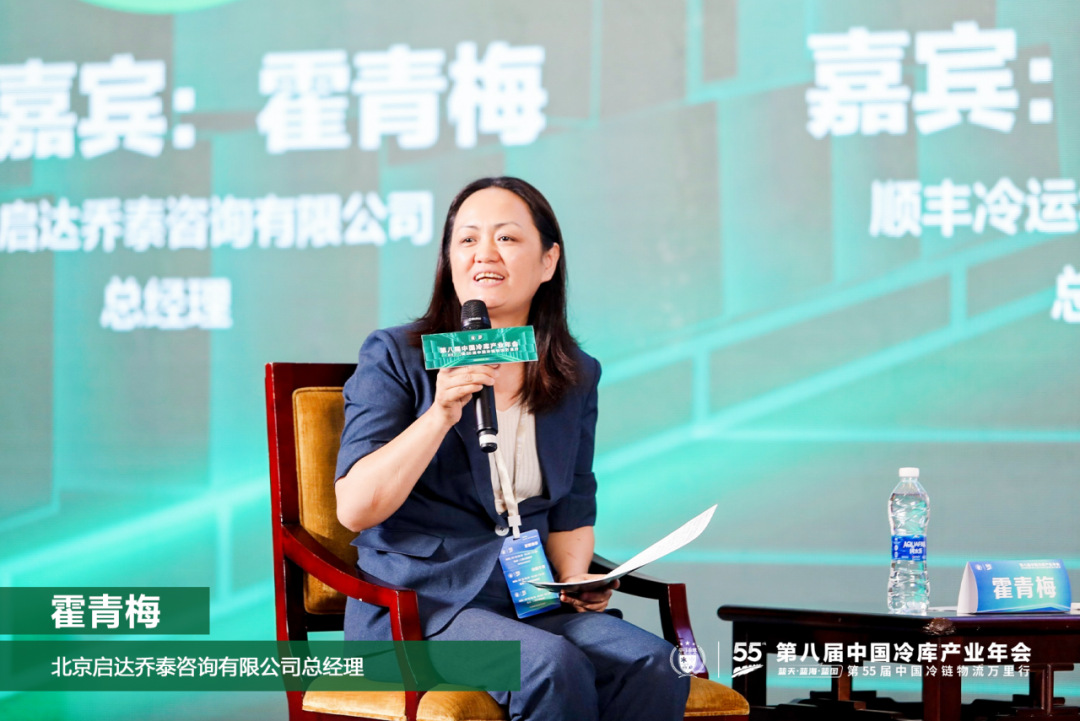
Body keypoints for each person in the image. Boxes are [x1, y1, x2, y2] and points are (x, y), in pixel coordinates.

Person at [334, 176, 690, 720]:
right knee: (549, 665)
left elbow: (572, 506)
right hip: (420, 611)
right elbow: (356, 509)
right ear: (449, 260)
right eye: (467, 239)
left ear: (548, 261)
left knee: (659, 662)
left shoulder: (574, 373)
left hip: (528, 601)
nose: (484, 254)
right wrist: (440, 414)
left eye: (506, 238)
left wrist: (576, 578)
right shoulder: (396, 356)